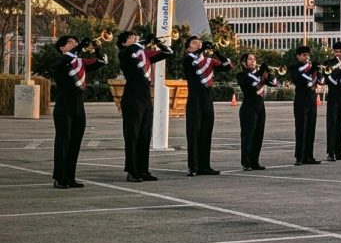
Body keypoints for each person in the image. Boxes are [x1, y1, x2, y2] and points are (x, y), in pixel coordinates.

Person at [51, 35, 107, 188]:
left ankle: (70, 177)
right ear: (62, 48)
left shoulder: (80, 62)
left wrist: (97, 47)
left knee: (75, 143)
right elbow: (63, 62)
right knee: (63, 142)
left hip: (78, 108)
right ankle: (59, 178)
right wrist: (80, 46)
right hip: (64, 107)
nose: (74, 44)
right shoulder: (60, 61)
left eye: (76, 42)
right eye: (70, 43)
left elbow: (102, 61)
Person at [117, 31, 171, 182]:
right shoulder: (125, 53)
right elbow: (132, 50)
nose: (135, 38)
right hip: (132, 97)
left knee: (145, 135)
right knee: (132, 135)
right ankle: (132, 171)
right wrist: (143, 43)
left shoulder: (142, 53)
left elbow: (168, 52)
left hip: (145, 97)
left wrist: (158, 43)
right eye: (130, 37)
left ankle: (143, 169)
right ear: (123, 43)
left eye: (136, 36)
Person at [183, 36, 232, 175]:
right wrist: (202, 49)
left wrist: (216, 51)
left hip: (207, 100)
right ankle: (193, 167)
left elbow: (228, 66)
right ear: (188, 48)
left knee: (206, 132)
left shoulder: (209, 61)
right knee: (194, 133)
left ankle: (205, 166)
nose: (198, 43)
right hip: (194, 100)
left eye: (199, 41)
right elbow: (191, 62)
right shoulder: (188, 58)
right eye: (194, 42)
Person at [236, 53, 277, 170]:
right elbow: (253, 87)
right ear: (244, 62)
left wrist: (268, 73)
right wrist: (262, 78)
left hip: (260, 107)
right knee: (248, 136)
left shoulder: (259, 74)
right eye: (250, 59)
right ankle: (246, 162)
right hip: (248, 107)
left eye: (254, 59)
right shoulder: (241, 75)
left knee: (259, 135)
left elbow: (274, 83)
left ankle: (255, 161)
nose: (253, 61)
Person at [289, 45, 322, 165]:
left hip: (312, 99)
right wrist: (311, 70)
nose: (306, 57)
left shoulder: (312, 67)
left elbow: (321, 81)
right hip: (301, 99)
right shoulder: (294, 67)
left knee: (311, 128)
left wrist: (318, 70)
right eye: (304, 55)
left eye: (308, 55)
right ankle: (299, 156)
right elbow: (299, 79)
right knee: (301, 128)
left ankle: (309, 155)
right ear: (298, 56)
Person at [322, 42, 341, 161]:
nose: (338, 54)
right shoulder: (328, 63)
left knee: (340, 123)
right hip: (333, 94)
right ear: (333, 52)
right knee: (332, 123)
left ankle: (338, 151)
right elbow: (327, 78)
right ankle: (330, 152)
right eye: (336, 51)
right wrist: (338, 69)